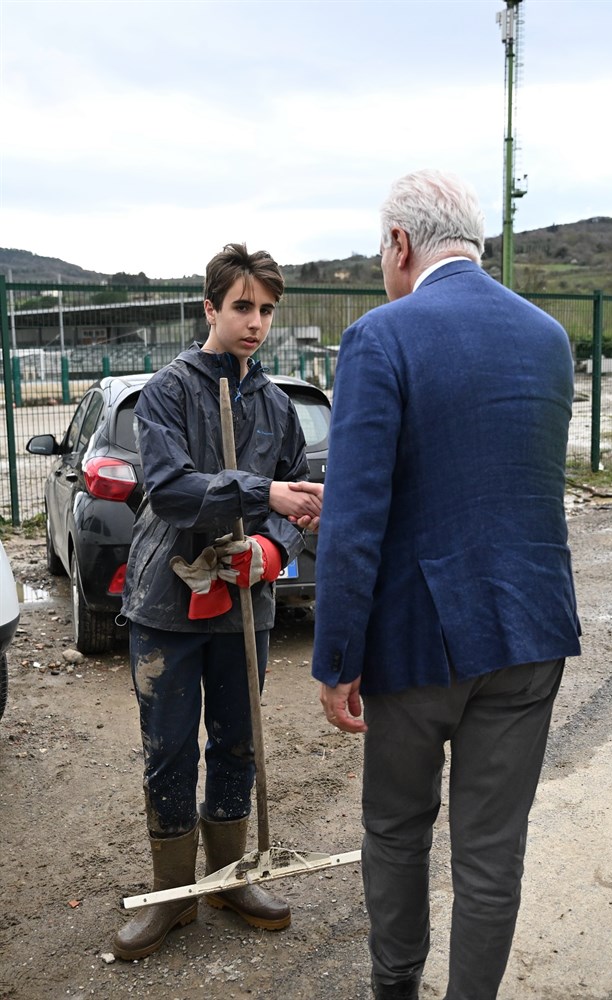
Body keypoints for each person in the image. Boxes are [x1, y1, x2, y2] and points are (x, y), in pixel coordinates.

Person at [311, 169, 581, 1000]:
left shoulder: (382, 336)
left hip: (416, 641)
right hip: (533, 628)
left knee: (397, 830)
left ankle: (395, 988)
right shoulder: (547, 336)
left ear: (400, 244)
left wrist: (336, 656)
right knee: (492, 852)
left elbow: (355, 519)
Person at [112, 243, 323, 961]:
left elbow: (295, 504)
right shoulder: (167, 392)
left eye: (266, 309)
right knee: (168, 750)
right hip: (168, 606)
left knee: (239, 741)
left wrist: (267, 551)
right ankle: (172, 900)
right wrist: (261, 493)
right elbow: (169, 491)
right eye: (242, 307)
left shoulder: (275, 406)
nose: (256, 322)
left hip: (245, 608)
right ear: (210, 307)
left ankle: (230, 878)